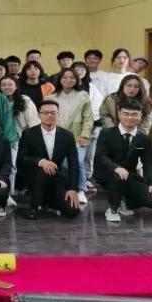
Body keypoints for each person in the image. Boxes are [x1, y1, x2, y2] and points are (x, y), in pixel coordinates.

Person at [94, 99, 152, 223]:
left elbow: (149, 163)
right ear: (119, 114)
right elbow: (100, 156)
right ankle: (113, 209)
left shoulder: (143, 138)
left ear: (140, 115)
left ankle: (124, 200)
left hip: (129, 175)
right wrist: (115, 167)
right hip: (107, 173)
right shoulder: (106, 133)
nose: (130, 118)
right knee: (118, 175)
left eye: (134, 114)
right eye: (126, 114)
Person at [17, 100, 81, 220]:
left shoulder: (67, 135)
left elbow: (74, 164)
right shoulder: (28, 134)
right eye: (45, 113)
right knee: (43, 169)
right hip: (35, 177)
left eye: (53, 113)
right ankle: (33, 207)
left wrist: (73, 189)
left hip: (57, 178)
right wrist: (41, 162)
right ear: (39, 115)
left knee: (72, 211)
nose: (49, 116)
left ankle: (47, 202)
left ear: (58, 115)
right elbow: (21, 159)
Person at [52, 68, 94, 204]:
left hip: (78, 136)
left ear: (77, 80)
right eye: (65, 77)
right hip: (58, 136)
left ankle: (81, 189)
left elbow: (88, 118)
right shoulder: (52, 97)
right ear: (60, 79)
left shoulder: (83, 96)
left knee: (78, 162)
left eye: (72, 77)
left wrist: (85, 135)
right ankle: (67, 188)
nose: (68, 80)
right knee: (64, 163)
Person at [0, 75, 39, 202]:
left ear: (16, 86)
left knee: (16, 166)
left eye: (10, 84)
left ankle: (19, 191)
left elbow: (33, 121)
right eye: (3, 85)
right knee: (8, 166)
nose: (7, 87)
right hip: (4, 138)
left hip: (22, 138)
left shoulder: (25, 100)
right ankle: (8, 193)